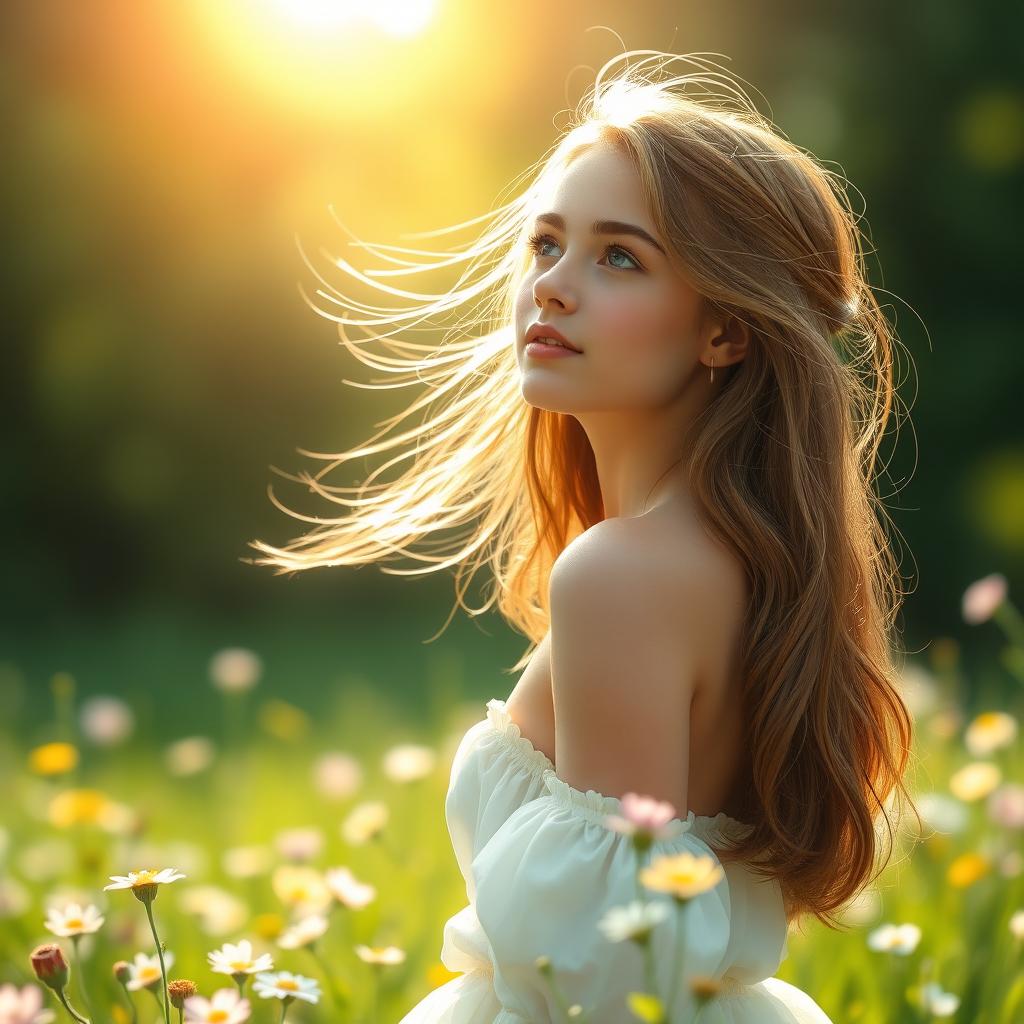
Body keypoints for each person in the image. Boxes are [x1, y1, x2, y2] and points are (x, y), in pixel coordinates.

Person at [246, 50, 921, 1023]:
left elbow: (611, 969)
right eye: (546, 245)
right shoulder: (732, 559)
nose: (554, 287)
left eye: (619, 257)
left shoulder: (623, 573)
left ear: (724, 331)